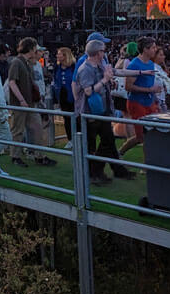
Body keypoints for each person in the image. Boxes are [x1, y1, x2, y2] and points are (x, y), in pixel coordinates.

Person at [75, 39, 133, 184]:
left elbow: (117, 72)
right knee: (96, 144)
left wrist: (141, 72)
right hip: (91, 112)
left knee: (108, 140)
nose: (105, 53)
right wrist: (105, 80)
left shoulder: (99, 65)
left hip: (102, 110)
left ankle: (112, 170)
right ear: (97, 52)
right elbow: (88, 91)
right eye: (103, 50)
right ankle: (95, 173)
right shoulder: (85, 69)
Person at [7, 37, 56, 168]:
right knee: (18, 130)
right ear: (30, 48)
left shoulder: (26, 62)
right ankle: (15, 156)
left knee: (37, 128)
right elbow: (12, 82)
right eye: (35, 48)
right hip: (21, 104)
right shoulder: (17, 62)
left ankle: (39, 155)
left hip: (29, 103)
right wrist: (21, 100)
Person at [119, 37, 162, 155]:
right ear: (145, 49)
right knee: (141, 136)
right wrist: (149, 89)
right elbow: (128, 86)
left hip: (149, 101)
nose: (155, 49)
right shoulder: (134, 64)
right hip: (136, 103)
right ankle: (123, 153)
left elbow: (150, 83)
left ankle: (147, 162)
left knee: (151, 133)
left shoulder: (151, 63)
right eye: (153, 47)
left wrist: (155, 97)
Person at [53, 47, 76, 146]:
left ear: (65, 55)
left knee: (76, 118)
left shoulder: (73, 66)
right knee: (66, 118)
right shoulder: (57, 67)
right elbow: (55, 80)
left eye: (59, 54)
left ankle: (78, 138)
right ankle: (70, 139)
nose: (57, 56)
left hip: (73, 95)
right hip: (62, 95)